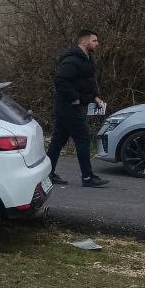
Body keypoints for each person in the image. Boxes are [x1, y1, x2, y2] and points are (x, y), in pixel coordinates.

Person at [47, 29, 109, 187]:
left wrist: (94, 97)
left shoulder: (87, 58)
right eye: (94, 41)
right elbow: (61, 81)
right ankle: (88, 177)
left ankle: (47, 175)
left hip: (71, 106)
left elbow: (84, 82)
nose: (97, 44)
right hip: (68, 106)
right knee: (83, 138)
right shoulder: (72, 60)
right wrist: (74, 98)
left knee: (58, 141)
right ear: (84, 42)